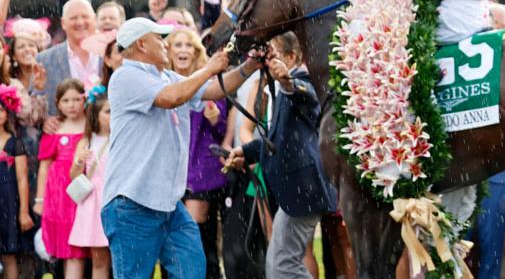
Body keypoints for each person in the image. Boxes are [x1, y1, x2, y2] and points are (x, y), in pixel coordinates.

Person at [101, 18, 259, 279]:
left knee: (192, 271)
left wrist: (250, 65)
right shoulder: (126, 76)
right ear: (141, 44)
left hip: (169, 204)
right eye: (159, 39)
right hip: (131, 204)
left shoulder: (165, 76)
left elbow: (212, 90)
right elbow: (172, 97)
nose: (166, 45)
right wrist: (208, 69)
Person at [223, 33, 336, 279]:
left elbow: (308, 97)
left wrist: (287, 82)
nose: (267, 57)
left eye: (273, 51)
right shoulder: (274, 88)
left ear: (292, 56)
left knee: (283, 265)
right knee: (278, 264)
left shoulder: (303, 78)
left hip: (304, 189)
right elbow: (277, 139)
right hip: (295, 191)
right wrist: (246, 151)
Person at [168, 29, 230, 279]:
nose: (183, 50)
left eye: (188, 46)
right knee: (174, 241)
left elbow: (225, 129)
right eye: (177, 45)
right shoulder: (162, 82)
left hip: (200, 171)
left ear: (196, 52)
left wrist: (216, 120)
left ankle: (209, 274)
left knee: (195, 238)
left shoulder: (209, 85)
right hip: (170, 171)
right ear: (169, 50)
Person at [36, 79, 88, 277]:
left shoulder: (92, 125)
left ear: (85, 99)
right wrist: (40, 200)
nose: (72, 105)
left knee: (84, 242)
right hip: (59, 194)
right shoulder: (54, 129)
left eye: (76, 99)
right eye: (66, 100)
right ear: (57, 103)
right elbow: (44, 166)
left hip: (85, 190)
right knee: (68, 247)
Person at [68, 86, 112, 279]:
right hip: (94, 203)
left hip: (114, 198)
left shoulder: (122, 138)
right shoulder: (87, 141)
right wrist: (80, 161)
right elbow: (74, 175)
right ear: (96, 114)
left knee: (122, 258)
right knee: (99, 260)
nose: (113, 115)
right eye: (108, 111)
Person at [37, 0, 99, 114]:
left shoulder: (111, 56)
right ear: (63, 23)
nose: (80, 22)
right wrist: (45, 120)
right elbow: (35, 102)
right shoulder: (44, 59)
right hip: (62, 129)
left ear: (94, 19)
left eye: (85, 16)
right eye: (73, 18)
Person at [0, 84, 33, 279]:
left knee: (9, 255)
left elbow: (22, 179)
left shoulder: (14, 143)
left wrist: (23, 213)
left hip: (8, 205)